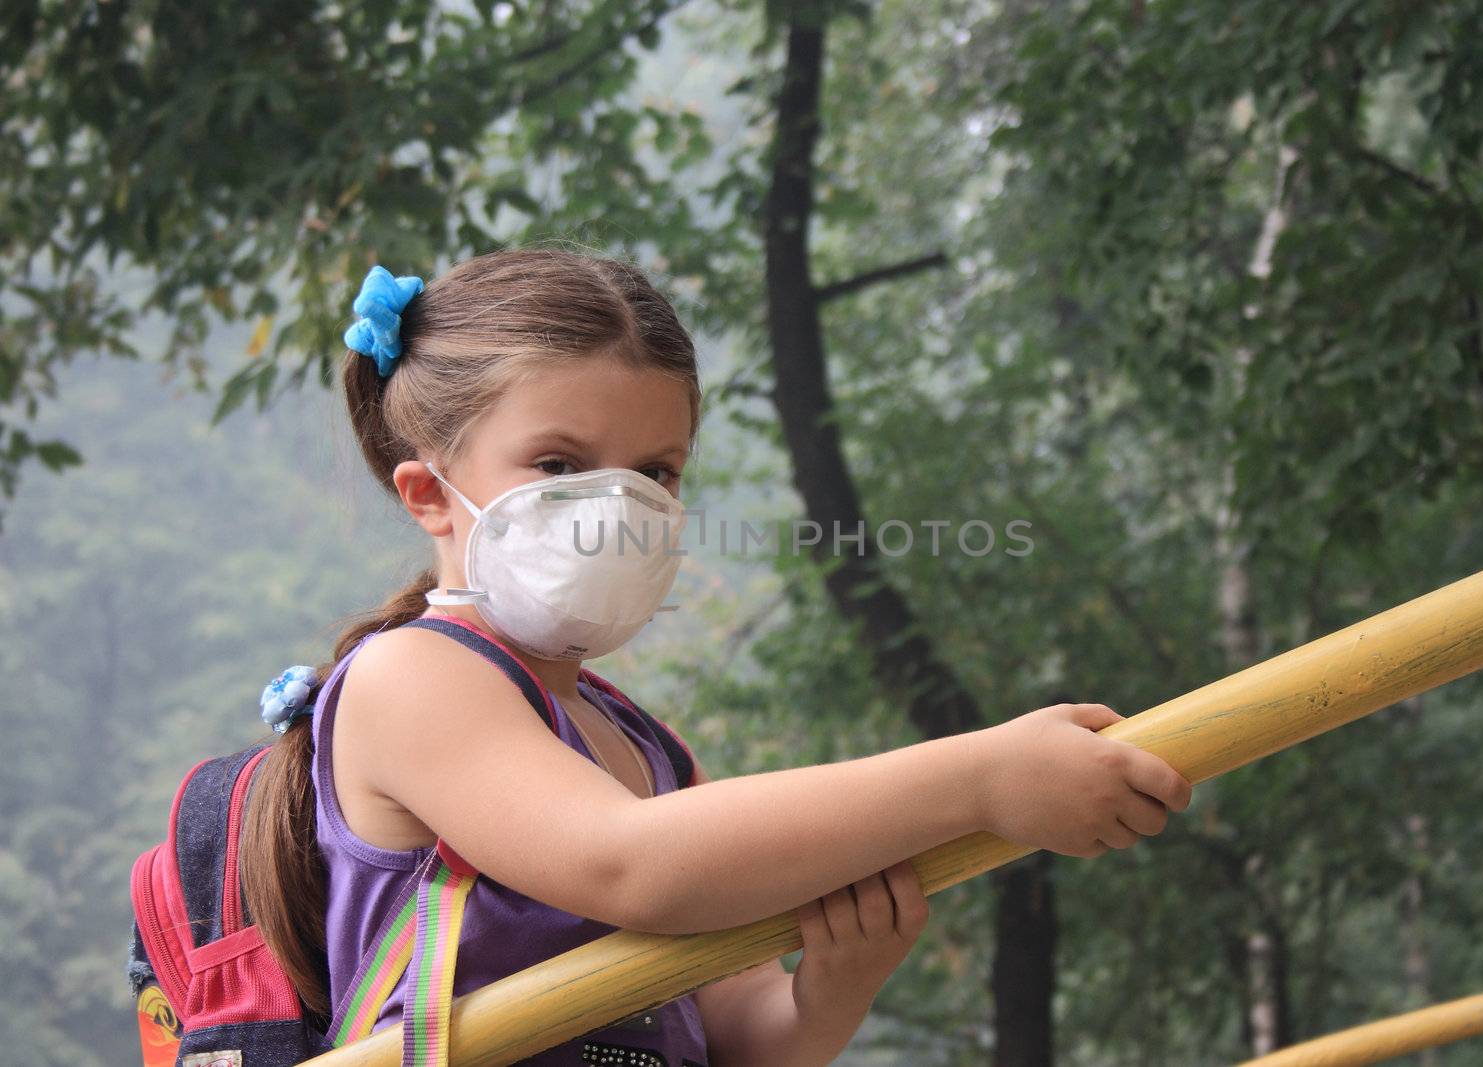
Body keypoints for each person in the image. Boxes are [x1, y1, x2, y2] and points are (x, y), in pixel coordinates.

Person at [239, 247, 1194, 1066]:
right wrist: (982, 778)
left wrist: (831, 990)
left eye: (655, 471)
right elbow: (631, 865)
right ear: (430, 493)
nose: (615, 505)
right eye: (561, 465)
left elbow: (738, 1029)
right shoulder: (413, 676)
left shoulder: (645, 746)